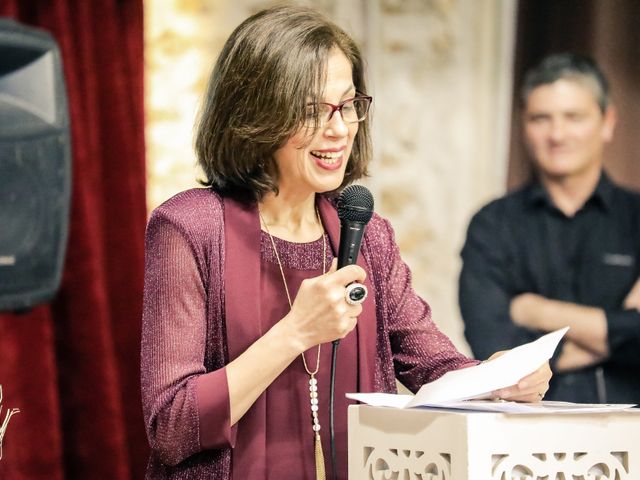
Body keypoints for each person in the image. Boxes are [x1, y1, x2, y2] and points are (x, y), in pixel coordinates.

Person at [141, 5, 551, 479]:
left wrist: (495, 379)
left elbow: (431, 364)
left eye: (348, 104)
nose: (338, 129)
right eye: (311, 109)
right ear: (255, 112)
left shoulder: (366, 232)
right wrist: (295, 331)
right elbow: (170, 427)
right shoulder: (188, 227)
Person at [459, 53, 640, 405]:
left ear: (607, 122)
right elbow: (495, 348)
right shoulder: (492, 225)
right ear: (523, 127)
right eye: (541, 119)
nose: (557, 134)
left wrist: (537, 311)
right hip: (525, 438)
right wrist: (619, 333)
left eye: (574, 117)